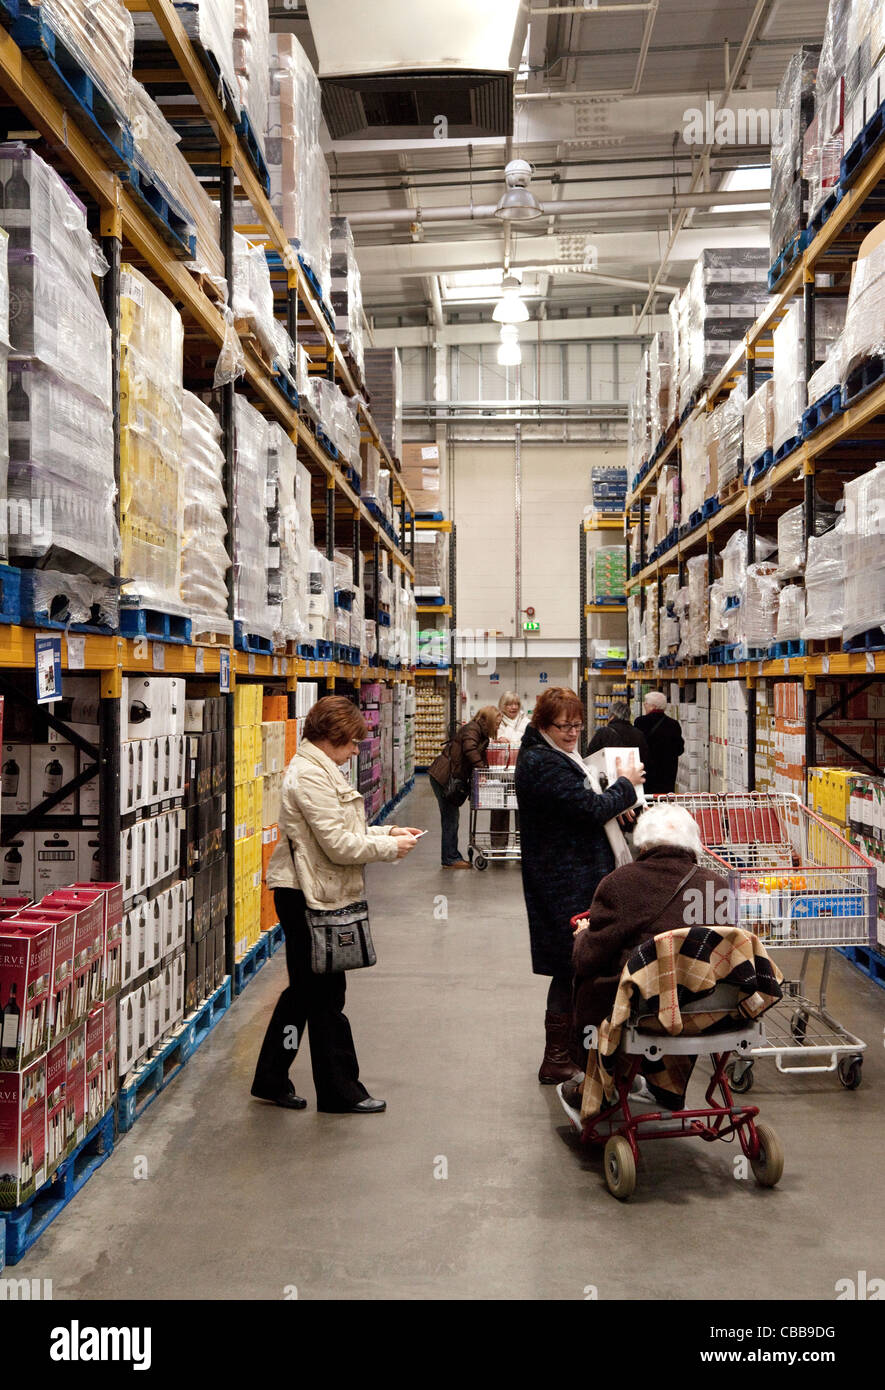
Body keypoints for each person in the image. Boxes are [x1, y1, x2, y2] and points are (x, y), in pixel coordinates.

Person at [251, 696, 420, 1113]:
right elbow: (340, 845)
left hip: (311, 890)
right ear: (333, 738)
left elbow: (344, 828)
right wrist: (389, 850)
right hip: (306, 895)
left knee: (304, 994)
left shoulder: (320, 769)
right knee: (326, 996)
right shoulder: (309, 776)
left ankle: (271, 1077)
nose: (357, 751)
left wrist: (388, 832)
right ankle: (339, 1091)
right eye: (352, 743)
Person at [514, 687, 644, 1085]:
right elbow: (587, 809)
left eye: (576, 725)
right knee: (569, 964)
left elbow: (583, 806)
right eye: (563, 726)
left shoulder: (556, 754)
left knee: (578, 963)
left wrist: (614, 809)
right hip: (562, 881)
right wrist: (624, 786)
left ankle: (572, 1051)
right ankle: (557, 1059)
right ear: (542, 724)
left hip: (572, 875)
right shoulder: (540, 762)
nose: (572, 733)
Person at [563, 802, 730, 1110]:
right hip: (709, 1008)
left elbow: (588, 958)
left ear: (644, 841)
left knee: (593, 980)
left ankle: (597, 1086)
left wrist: (583, 935)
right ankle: (668, 1084)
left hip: (644, 1009)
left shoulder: (621, 883)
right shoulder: (718, 886)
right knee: (685, 976)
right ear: (692, 841)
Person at [427, 706, 502, 869]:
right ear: (488, 721)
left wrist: (486, 773)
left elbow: (480, 755)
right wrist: (482, 770)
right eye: (496, 724)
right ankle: (450, 858)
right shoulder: (472, 730)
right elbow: (470, 749)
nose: (498, 727)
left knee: (451, 817)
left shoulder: (481, 734)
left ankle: (451, 856)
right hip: (444, 777)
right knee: (450, 818)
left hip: (449, 776)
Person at [490, 692, 528, 850]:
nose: (513, 707)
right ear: (502, 706)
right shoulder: (496, 723)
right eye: (509, 704)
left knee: (524, 813)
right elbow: (490, 742)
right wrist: (498, 741)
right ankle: (498, 848)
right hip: (500, 774)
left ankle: (523, 848)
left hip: (521, 773)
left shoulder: (527, 723)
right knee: (499, 811)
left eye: (516, 704)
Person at [634, 691, 685, 795]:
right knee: (664, 801)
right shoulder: (674, 724)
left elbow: (636, 746)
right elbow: (680, 749)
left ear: (653, 706)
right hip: (667, 773)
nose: (644, 705)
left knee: (648, 801)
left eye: (646, 703)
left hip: (647, 772)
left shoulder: (640, 722)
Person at [586, 700, 650, 770]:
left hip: (610, 776)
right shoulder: (639, 734)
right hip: (632, 776)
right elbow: (645, 759)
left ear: (612, 715)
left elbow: (590, 757)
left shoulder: (603, 732)